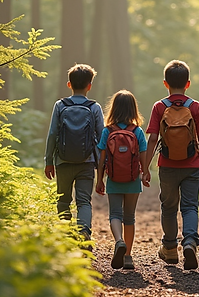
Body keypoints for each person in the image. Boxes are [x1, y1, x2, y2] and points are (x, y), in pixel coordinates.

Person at [143, 59, 199, 270]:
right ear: (188, 84)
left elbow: (153, 139)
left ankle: (170, 249)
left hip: (167, 164)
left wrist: (144, 168)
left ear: (166, 83)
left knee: (169, 207)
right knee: (190, 206)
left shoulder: (159, 106)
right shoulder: (196, 106)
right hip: (191, 165)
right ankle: (190, 242)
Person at [44, 64, 105, 245]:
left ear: (69, 84)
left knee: (63, 200)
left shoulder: (60, 105)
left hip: (62, 161)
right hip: (87, 161)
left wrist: (49, 160)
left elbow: (53, 134)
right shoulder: (94, 107)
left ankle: (65, 235)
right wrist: (103, 164)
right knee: (84, 201)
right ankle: (84, 231)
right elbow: (102, 137)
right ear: (90, 85)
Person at [96, 90, 150, 270]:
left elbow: (101, 158)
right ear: (133, 109)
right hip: (133, 179)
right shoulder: (138, 131)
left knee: (115, 214)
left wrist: (99, 180)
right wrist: (145, 173)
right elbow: (143, 155)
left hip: (113, 179)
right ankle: (127, 256)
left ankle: (119, 241)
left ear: (114, 109)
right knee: (129, 217)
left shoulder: (107, 131)